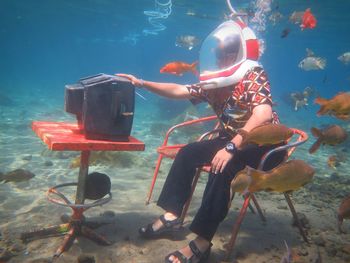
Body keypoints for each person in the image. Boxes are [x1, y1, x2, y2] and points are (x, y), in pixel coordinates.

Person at [118, 20, 286, 263]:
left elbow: (263, 115)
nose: (222, 58)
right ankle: (172, 215)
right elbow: (179, 90)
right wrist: (142, 83)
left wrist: (231, 146)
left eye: (227, 53)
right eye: (219, 55)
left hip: (267, 147)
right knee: (188, 152)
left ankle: (203, 242)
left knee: (224, 165)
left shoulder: (253, 75)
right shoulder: (214, 82)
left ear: (238, 54)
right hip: (234, 140)